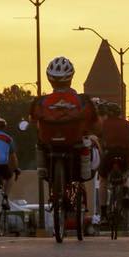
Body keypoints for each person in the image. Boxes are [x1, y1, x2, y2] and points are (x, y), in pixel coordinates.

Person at [29, 56, 98, 192]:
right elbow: (93, 121)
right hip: (74, 142)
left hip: (48, 142)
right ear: (70, 78)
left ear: (49, 79)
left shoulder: (41, 101)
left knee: (40, 144)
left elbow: (32, 119)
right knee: (88, 145)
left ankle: (42, 169)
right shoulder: (82, 100)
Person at [97, 103, 129, 220]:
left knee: (103, 180)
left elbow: (99, 136)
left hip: (109, 153)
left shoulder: (104, 124)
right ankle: (126, 193)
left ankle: (103, 212)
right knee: (126, 173)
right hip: (124, 153)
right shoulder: (127, 124)